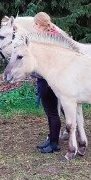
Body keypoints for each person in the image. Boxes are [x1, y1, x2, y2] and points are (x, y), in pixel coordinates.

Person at [33, 12, 62, 153]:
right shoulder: (56, 34)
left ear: (39, 24)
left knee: (52, 112)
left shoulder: (45, 39)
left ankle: (54, 144)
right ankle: (52, 139)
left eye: (35, 24)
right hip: (55, 78)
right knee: (53, 112)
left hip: (47, 79)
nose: (34, 27)